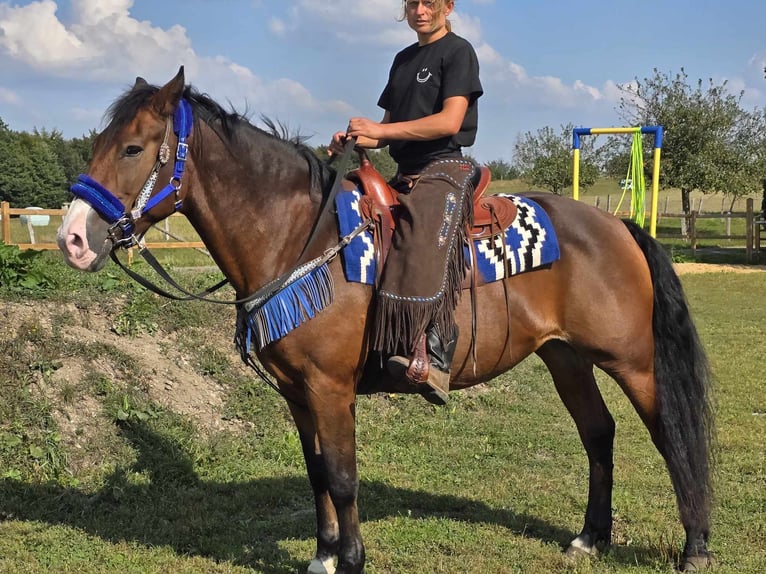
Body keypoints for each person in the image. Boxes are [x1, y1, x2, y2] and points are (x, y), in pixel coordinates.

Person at [329, 0, 483, 405]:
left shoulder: (458, 51)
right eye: (413, 2)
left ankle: (434, 352)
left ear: (447, 6)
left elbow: (450, 121)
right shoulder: (402, 59)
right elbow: (383, 134)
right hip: (404, 169)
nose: (420, 10)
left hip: (444, 167)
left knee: (418, 232)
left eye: (430, 2)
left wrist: (381, 128)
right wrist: (354, 138)